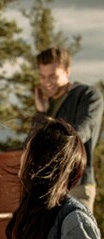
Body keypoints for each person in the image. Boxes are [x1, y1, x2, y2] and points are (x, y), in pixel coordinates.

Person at [2, 116, 102, 239]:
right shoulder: (35, 211)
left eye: (28, 150)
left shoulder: (73, 219)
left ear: (40, 160)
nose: (22, 156)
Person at [33, 47, 103, 212]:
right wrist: (41, 113)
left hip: (77, 186)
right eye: (42, 77)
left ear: (67, 71)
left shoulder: (88, 96)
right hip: (49, 189)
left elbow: (79, 134)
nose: (47, 82)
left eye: (53, 76)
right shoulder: (48, 105)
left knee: (79, 237)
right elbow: (32, 144)